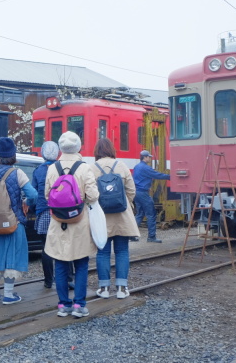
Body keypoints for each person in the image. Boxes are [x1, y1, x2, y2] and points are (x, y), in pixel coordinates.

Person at [0, 137, 37, 304]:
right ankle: (9, 295)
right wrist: (25, 203)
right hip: (13, 222)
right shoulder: (18, 173)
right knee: (12, 256)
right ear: (13, 156)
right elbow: (33, 195)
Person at [44, 131, 99, 318]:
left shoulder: (53, 168)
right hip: (79, 222)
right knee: (81, 264)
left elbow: (47, 196)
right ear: (78, 147)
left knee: (60, 264)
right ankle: (79, 306)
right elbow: (93, 196)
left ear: (60, 148)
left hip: (58, 223)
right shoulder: (85, 168)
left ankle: (63, 305)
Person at [92, 138, 139, 299]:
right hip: (121, 217)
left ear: (97, 151)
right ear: (112, 150)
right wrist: (126, 204)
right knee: (122, 251)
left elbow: (88, 194)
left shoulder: (91, 168)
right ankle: (122, 289)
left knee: (103, 253)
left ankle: (104, 289)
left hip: (101, 218)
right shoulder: (122, 166)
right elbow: (131, 191)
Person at [32, 141, 59, 288]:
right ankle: (68, 278)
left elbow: (34, 194)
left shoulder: (38, 171)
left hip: (43, 212)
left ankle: (48, 281)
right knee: (63, 245)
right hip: (60, 213)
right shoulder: (61, 168)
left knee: (46, 248)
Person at [133, 149, 170, 243]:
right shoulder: (146, 168)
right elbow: (157, 175)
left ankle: (131, 235)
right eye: (149, 157)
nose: (150, 158)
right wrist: (170, 177)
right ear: (144, 157)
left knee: (140, 213)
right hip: (143, 193)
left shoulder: (137, 167)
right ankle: (151, 237)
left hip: (136, 193)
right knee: (151, 214)